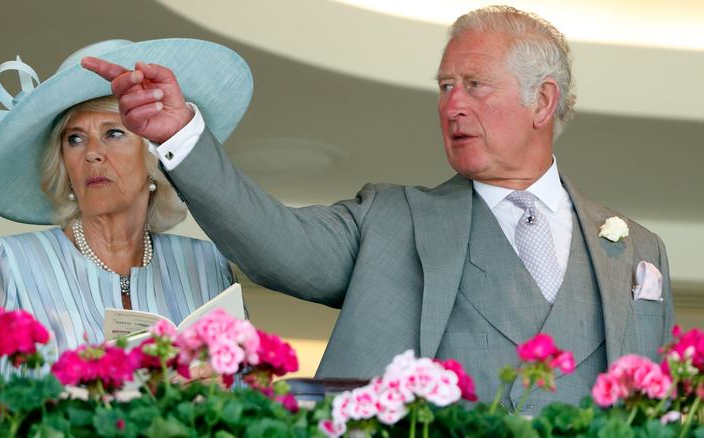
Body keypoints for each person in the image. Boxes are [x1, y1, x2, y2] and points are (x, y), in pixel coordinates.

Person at [83, 6, 675, 413]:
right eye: (445, 87)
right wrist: (179, 136)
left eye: (474, 85)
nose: (451, 107)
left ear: (543, 100)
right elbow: (273, 243)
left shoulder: (638, 251)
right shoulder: (390, 219)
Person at [0, 39, 253, 378]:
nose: (91, 153)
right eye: (74, 139)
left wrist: (220, 393)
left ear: (154, 153)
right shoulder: (13, 261)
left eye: (113, 133)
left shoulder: (209, 266)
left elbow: (251, 401)